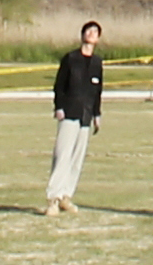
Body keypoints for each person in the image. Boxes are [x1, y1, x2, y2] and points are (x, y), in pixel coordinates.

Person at [48, 19, 108, 215]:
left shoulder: (98, 63)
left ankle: (66, 196)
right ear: (82, 35)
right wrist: (59, 107)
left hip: (86, 116)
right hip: (69, 112)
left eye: (95, 32)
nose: (91, 34)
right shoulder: (70, 59)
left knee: (77, 158)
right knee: (62, 155)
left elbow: (97, 91)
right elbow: (59, 86)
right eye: (88, 31)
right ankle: (53, 199)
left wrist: (97, 114)